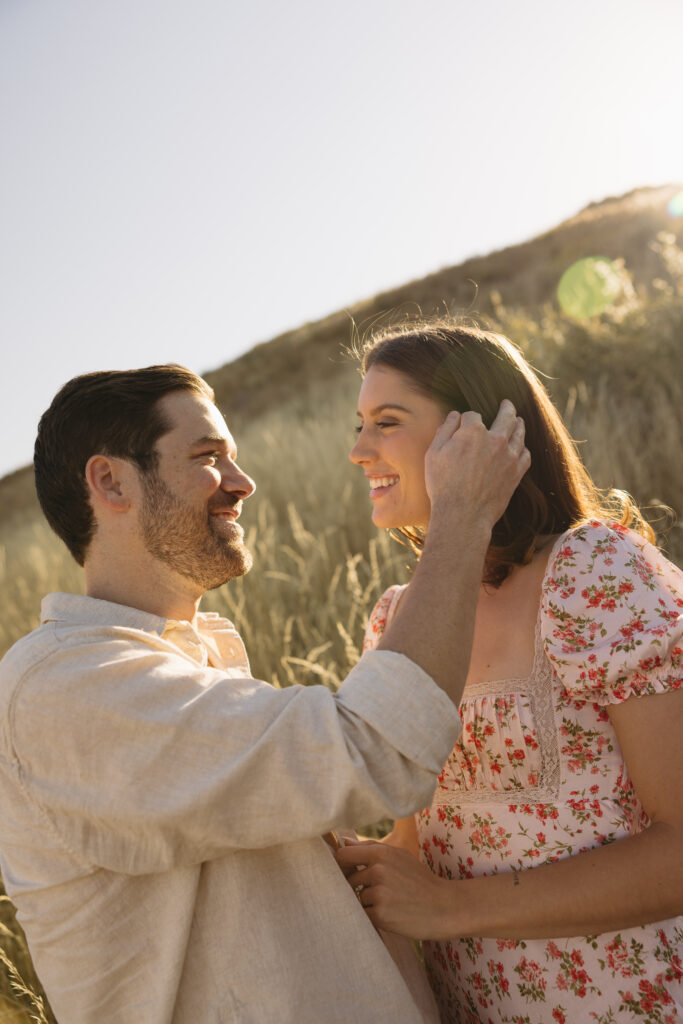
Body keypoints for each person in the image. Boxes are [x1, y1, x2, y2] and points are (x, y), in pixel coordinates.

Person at [0, 363, 529, 1024]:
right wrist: (460, 518)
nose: (242, 483)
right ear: (110, 481)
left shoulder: (185, 659)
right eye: (207, 457)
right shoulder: (61, 688)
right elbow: (376, 748)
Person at [337, 321, 683, 1023]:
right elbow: (415, 849)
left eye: (387, 422)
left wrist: (452, 908)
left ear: (480, 430)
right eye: (359, 424)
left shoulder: (591, 573)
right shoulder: (397, 619)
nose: (358, 450)